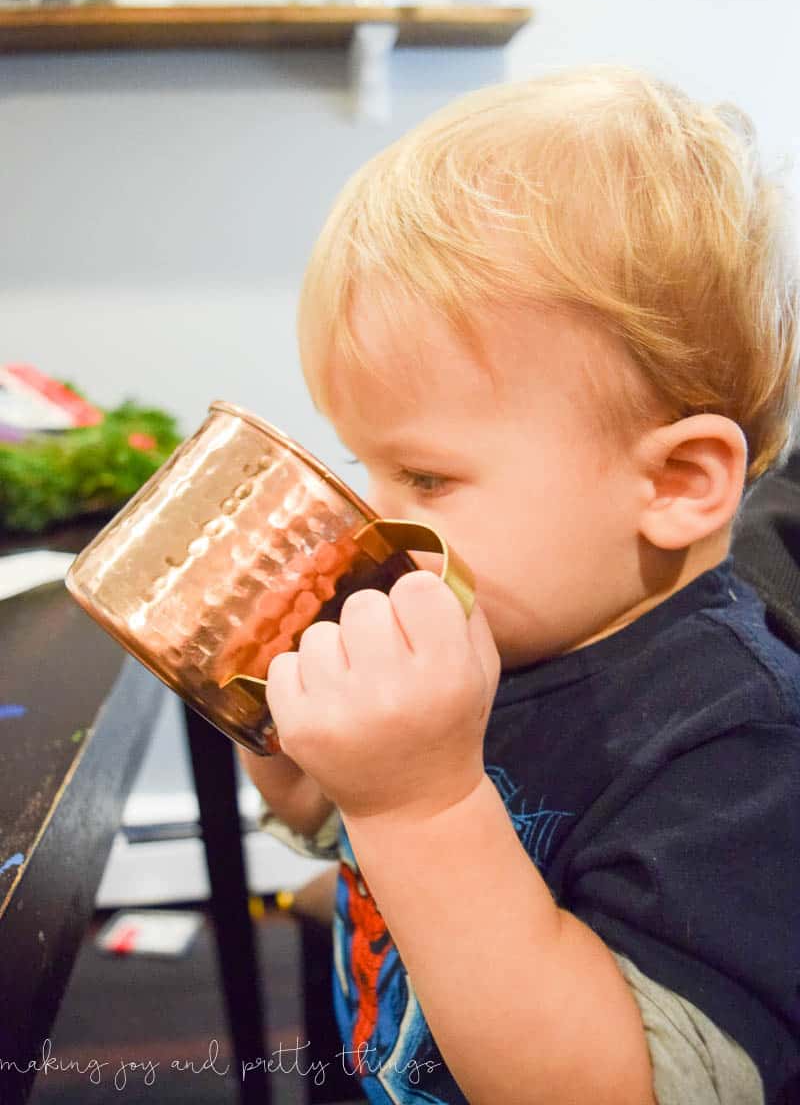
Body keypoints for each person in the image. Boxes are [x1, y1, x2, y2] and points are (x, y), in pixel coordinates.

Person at [239, 66, 800, 1105]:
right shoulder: (513, 625)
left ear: (673, 483)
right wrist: (314, 778)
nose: (375, 515)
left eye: (425, 476)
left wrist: (419, 805)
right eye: (366, 466)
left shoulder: (737, 748)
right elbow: (386, 850)